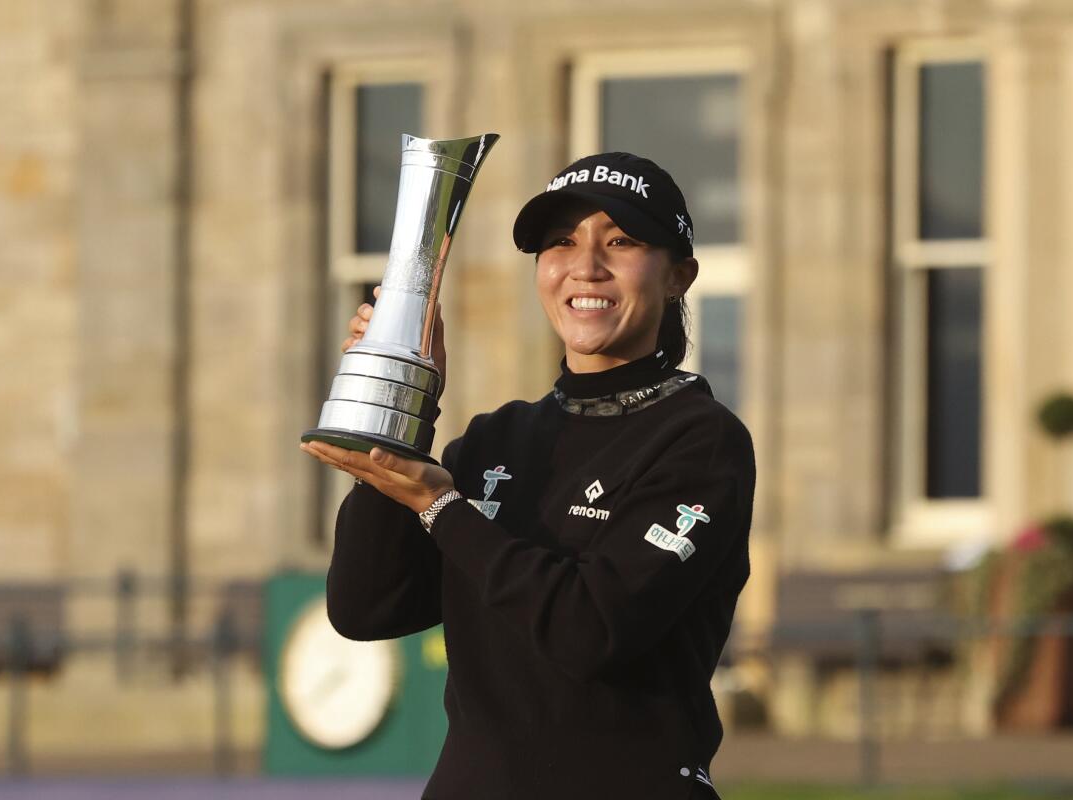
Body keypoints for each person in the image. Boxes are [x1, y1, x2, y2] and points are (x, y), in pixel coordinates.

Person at [300, 151, 755, 799]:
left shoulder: (700, 442)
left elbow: (592, 630)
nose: (586, 266)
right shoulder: (496, 439)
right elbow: (367, 607)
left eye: (621, 241)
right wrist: (406, 405)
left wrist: (440, 505)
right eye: (561, 243)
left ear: (679, 275)